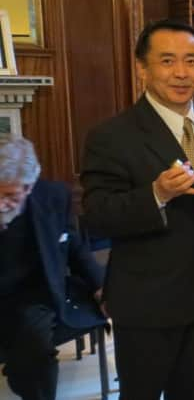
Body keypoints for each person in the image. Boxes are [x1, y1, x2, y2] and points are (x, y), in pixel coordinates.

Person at [80, 19, 194, 399]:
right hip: (146, 301)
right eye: (167, 61)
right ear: (142, 68)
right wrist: (155, 194)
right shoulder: (111, 135)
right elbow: (97, 213)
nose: (181, 73)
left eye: (191, 61)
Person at [0, 133, 105, 400]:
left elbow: (75, 247)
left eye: (10, 195)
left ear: (29, 187)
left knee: (35, 352)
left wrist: (100, 286)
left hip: (33, 295)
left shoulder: (53, 197)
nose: (1, 204)